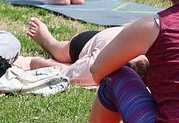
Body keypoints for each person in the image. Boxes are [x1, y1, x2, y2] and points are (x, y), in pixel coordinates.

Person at [16, 19, 145, 89]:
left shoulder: (154, 50)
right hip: (87, 42)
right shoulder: (98, 64)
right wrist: (34, 62)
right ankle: (48, 40)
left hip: (113, 35)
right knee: (60, 52)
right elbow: (65, 73)